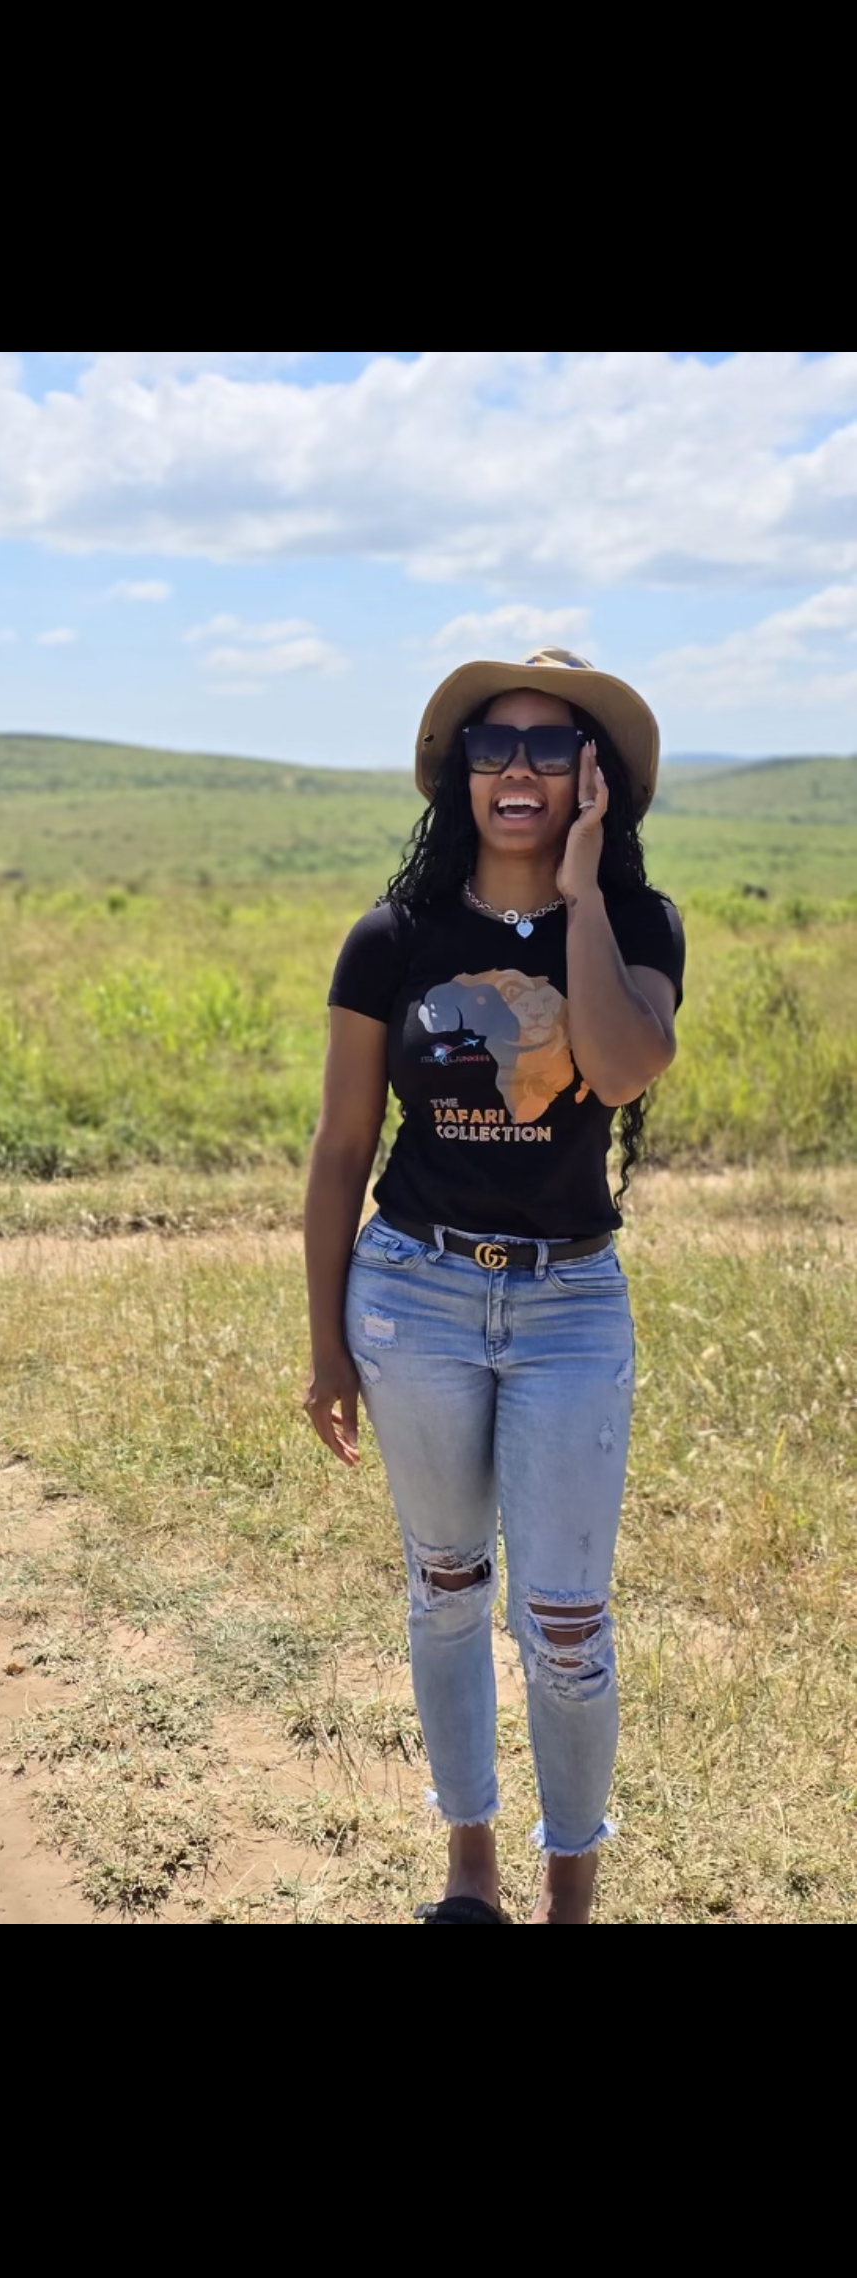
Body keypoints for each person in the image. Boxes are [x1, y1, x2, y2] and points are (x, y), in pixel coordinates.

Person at [303, 648, 684, 1926]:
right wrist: (326, 1347)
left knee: (566, 1625)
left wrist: (579, 897)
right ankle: (470, 1875)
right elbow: (342, 1150)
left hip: (572, 1306)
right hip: (414, 1296)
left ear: (594, 778)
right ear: (457, 772)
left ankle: (572, 1893)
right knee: (448, 1587)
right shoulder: (394, 938)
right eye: (490, 745)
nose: (515, 769)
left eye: (547, 746)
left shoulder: (640, 924)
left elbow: (623, 1069)